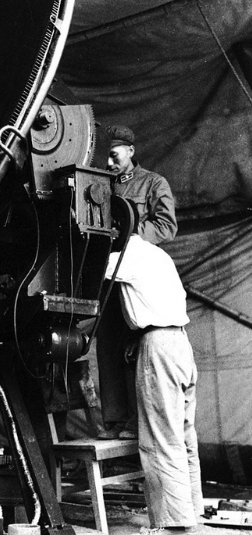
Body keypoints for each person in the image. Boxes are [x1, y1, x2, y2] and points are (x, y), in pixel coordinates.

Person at [105, 213, 203, 533]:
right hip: (181, 343)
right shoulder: (159, 255)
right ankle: (192, 511)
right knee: (183, 434)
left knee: (159, 438)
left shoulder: (127, 256)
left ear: (118, 228)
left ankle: (172, 524)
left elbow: (87, 269)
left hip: (158, 344)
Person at [97, 124, 178, 439]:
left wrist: (129, 235)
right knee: (107, 345)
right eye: (105, 158)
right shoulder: (101, 185)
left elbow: (166, 227)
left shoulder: (154, 183)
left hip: (138, 282)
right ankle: (115, 421)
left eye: (114, 156)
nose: (109, 164)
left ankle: (137, 421)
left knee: (136, 347)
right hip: (108, 278)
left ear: (130, 150)